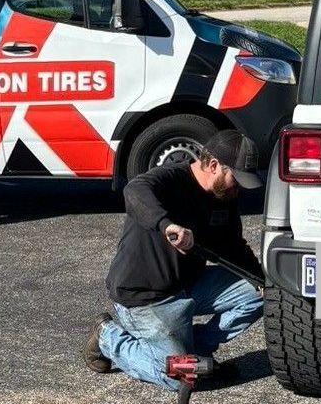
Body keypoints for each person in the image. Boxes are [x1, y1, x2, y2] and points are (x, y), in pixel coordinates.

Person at [85, 129, 266, 389]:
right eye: (235, 178)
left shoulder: (222, 196)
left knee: (260, 293)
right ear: (213, 166)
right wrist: (166, 225)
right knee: (178, 378)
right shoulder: (169, 179)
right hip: (146, 298)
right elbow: (134, 190)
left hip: (190, 286)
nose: (239, 188)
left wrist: (261, 278)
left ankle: (196, 352)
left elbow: (234, 246)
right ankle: (107, 336)